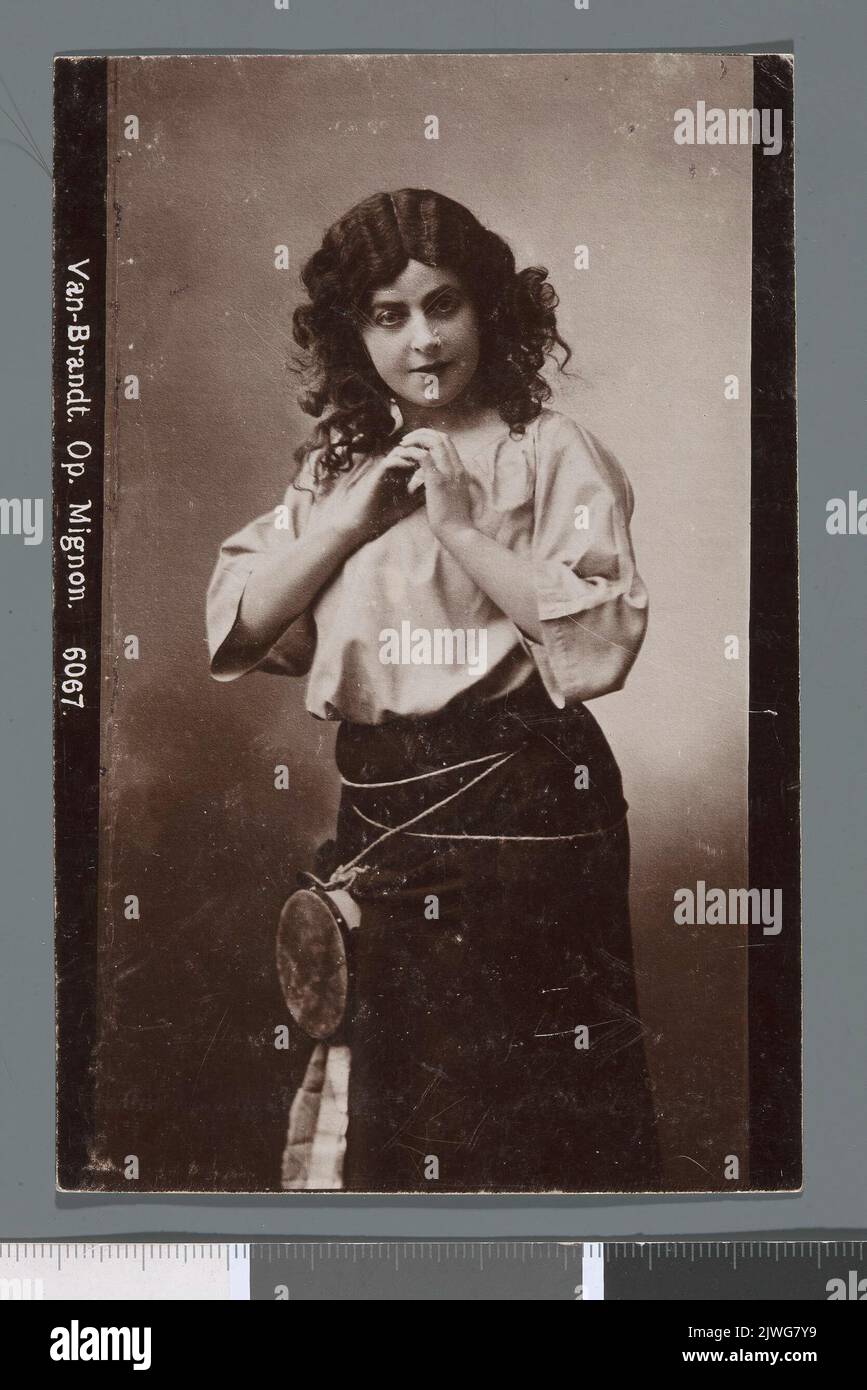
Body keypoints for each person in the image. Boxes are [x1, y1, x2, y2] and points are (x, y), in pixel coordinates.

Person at [205, 187, 662, 1192]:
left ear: (488, 308)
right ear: (351, 331)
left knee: (518, 1099)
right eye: (387, 314)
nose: (421, 340)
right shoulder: (341, 466)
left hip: (526, 809)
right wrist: (345, 521)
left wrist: (461, 527)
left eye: (443, 303)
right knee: (393, 1100)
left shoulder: (549, 449)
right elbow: (242, 624)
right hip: (382, 811)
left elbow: (602, 634)